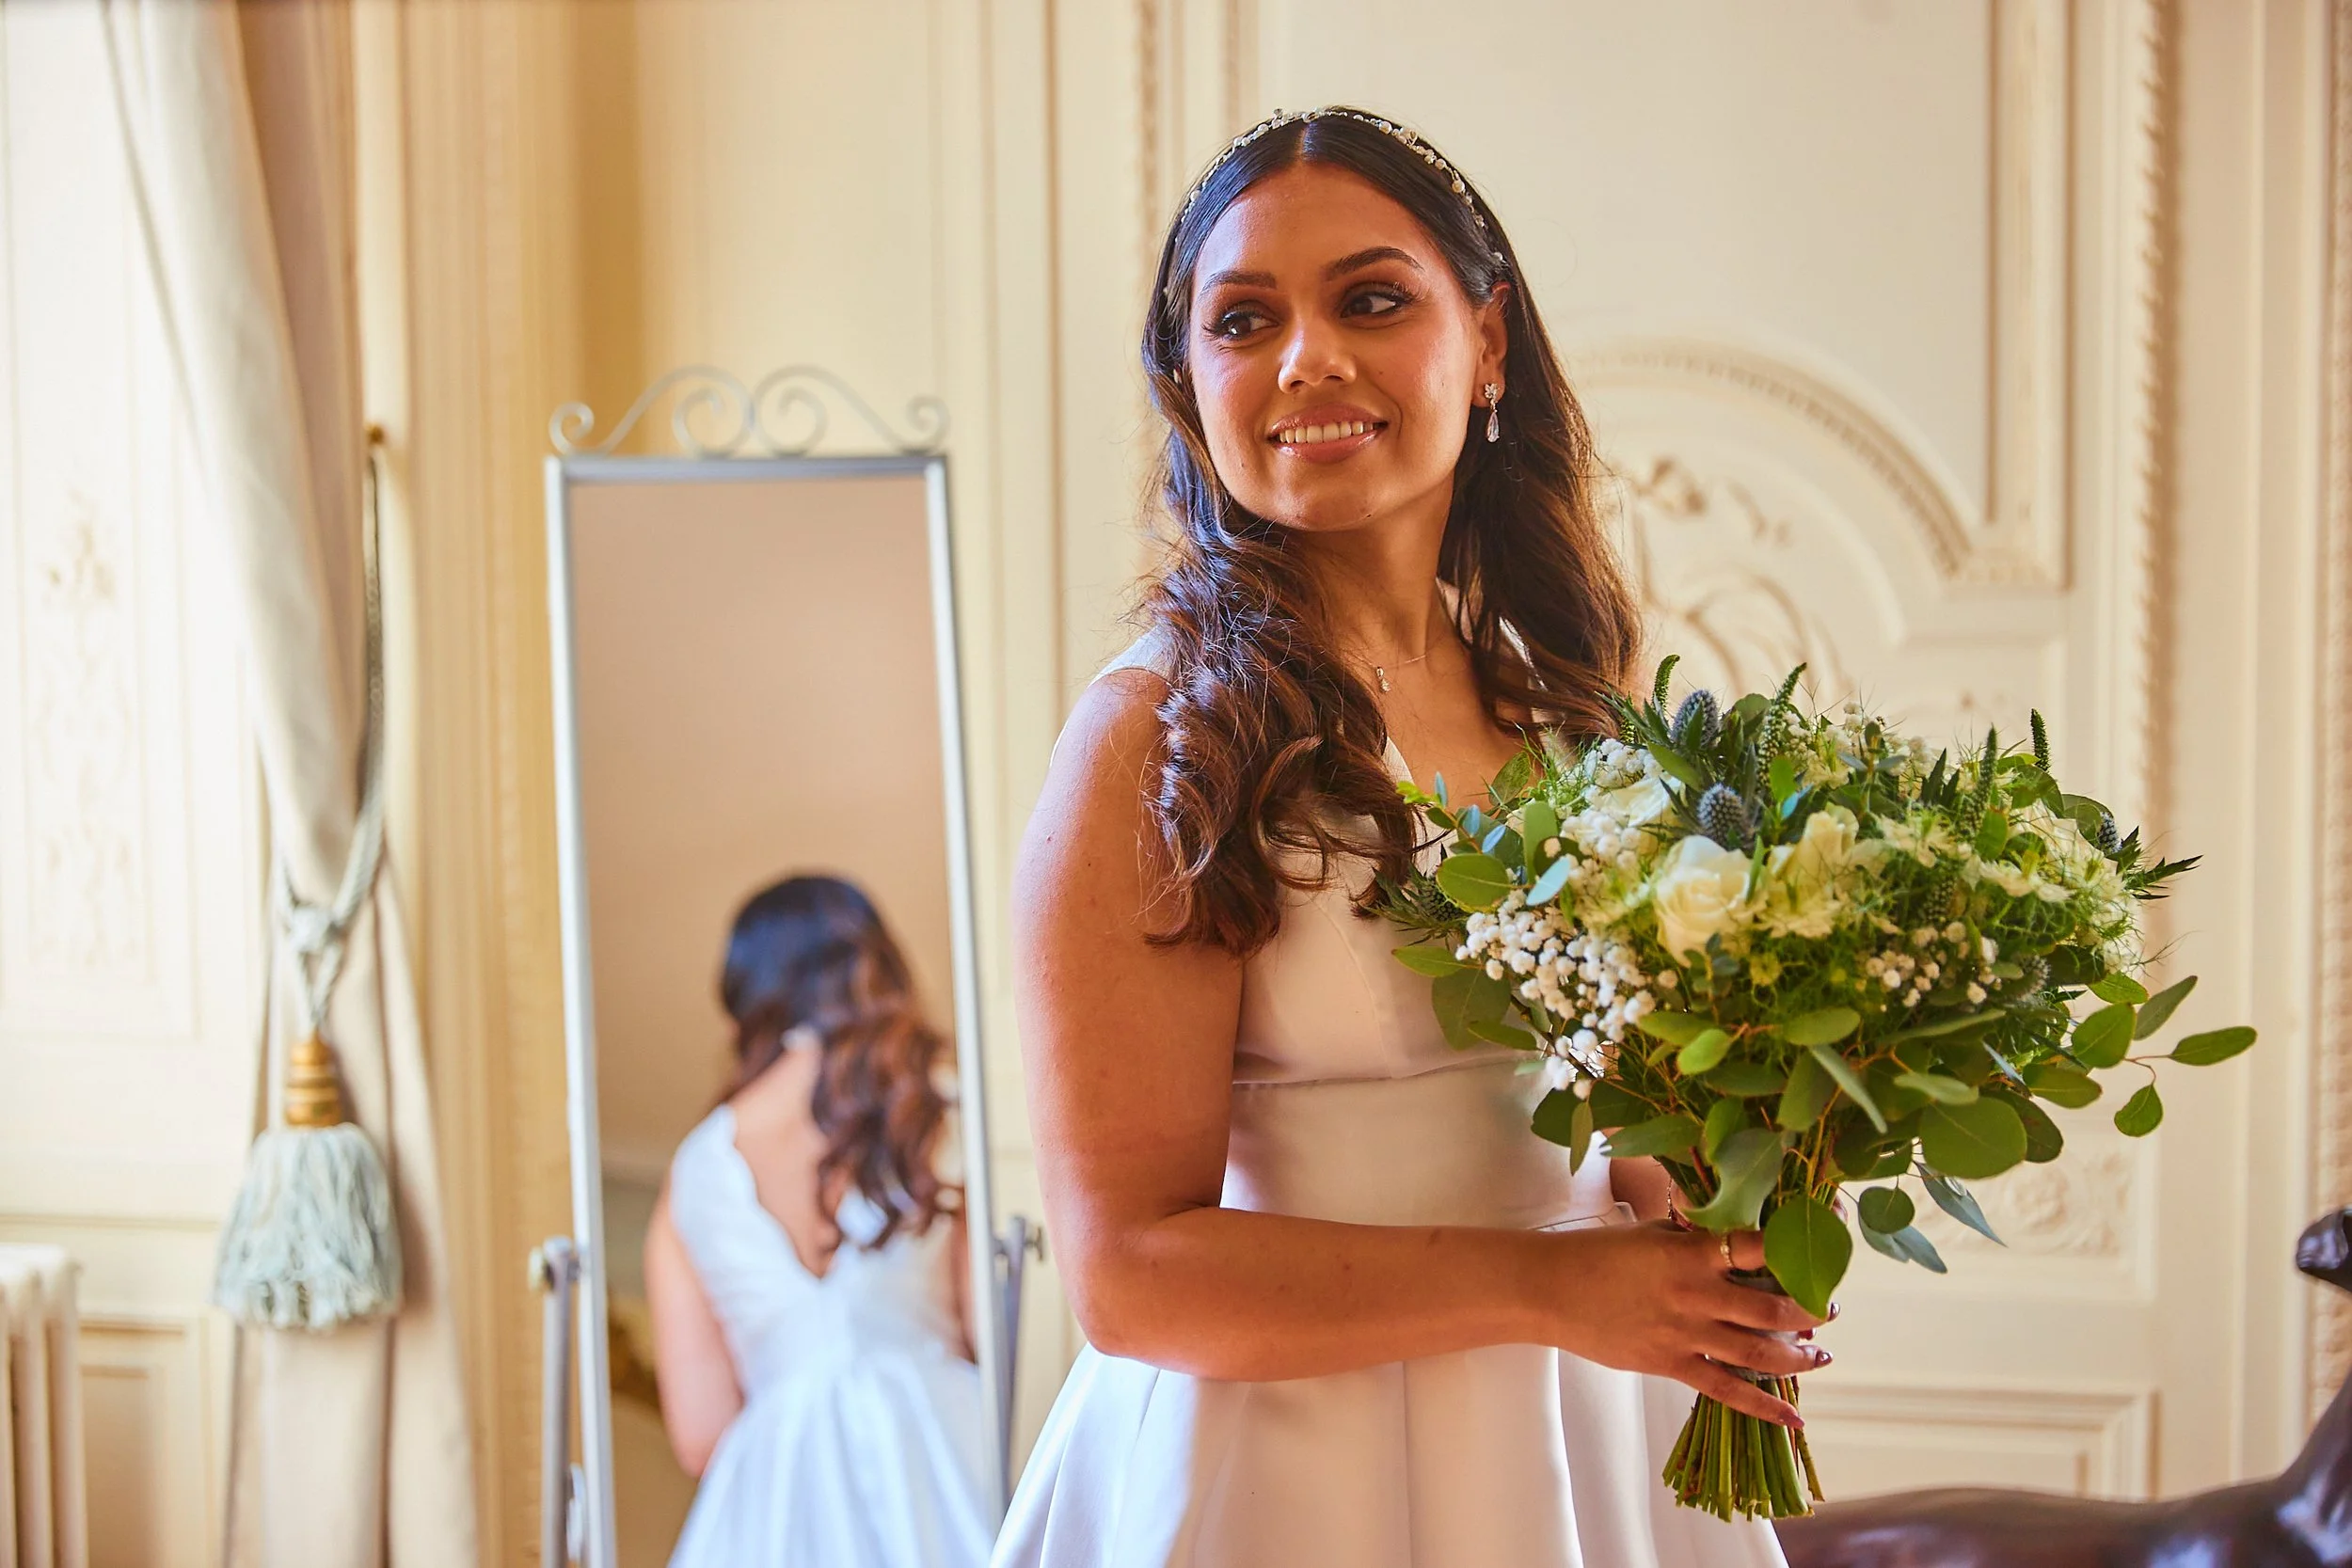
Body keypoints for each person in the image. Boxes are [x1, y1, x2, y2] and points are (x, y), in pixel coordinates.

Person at [994, 107, 1829, 1568]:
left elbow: (1620, 1123)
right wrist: (1550, 1292)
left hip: (1591, 1445)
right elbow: (1128, 1276)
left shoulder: (1580, 705)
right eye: (1244, 320)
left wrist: (1730, 1202)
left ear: (1488, 341)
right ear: (1193, 388)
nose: (1307, 357)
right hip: (1279, 1475)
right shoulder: (1160, 739)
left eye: (1370, 299)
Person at [645, 874, 992, 1568]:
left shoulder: (693, 1171)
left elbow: (702, 1431)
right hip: (944, 1462)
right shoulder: (931, 1104)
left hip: (774, 1502)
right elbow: (998, 1331)